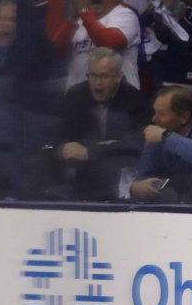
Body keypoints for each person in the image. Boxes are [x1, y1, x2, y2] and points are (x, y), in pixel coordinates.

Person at [52, 47, 150, 200]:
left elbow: (134, 144)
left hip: (118, 172)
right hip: (81, 170)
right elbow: (56, 136)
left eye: (104, 76)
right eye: (93, 76)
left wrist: (92, 151)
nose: (97, 83)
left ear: (118, 77)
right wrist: (61, 148)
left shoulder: (134, 99)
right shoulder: (75, 95)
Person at [65, 0, 141, 91]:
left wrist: (83, 10)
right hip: (78, 99)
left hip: (118, 99)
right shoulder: (81, 19)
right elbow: (57, 50)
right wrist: (72, 19)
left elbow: (108, 43)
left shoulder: (125, 15)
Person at [130, 85, 192, 202]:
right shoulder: (158, 136)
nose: (154, 119)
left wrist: (167, 137)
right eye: (155, 112)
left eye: (162, 114)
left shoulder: (163, 135)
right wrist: (136, 187)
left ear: (184, 117)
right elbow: (144, 176)